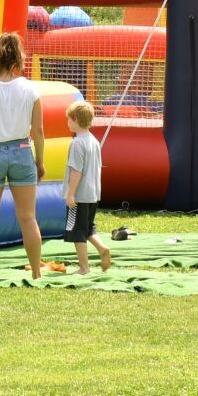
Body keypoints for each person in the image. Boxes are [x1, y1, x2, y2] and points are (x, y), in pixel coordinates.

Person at [0, 32, 47, 281]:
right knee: (27, 217)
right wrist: (40, 162)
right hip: (22, 150)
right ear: (18, 59)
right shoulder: (30, 89)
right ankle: (36, 272)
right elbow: (38, 131)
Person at [63, 101, 113, 274]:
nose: (67, 123)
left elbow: (77, 172)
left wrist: (70, 194)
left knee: (77, 232)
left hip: (80, 195)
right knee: (88, 228)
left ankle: (84, 267)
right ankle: (102, 248)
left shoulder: (77, 143)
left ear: (75, 119)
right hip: (92, 194)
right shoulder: (93, 141)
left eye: (68, 119)